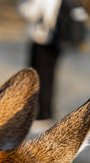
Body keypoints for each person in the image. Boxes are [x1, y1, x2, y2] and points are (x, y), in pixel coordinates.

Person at [18, 0, 62, 132]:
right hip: (56, 39)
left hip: (41, 39)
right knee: (49, 78)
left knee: (37, 77)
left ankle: (41, 116)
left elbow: (29, 12)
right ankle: (47, 113)